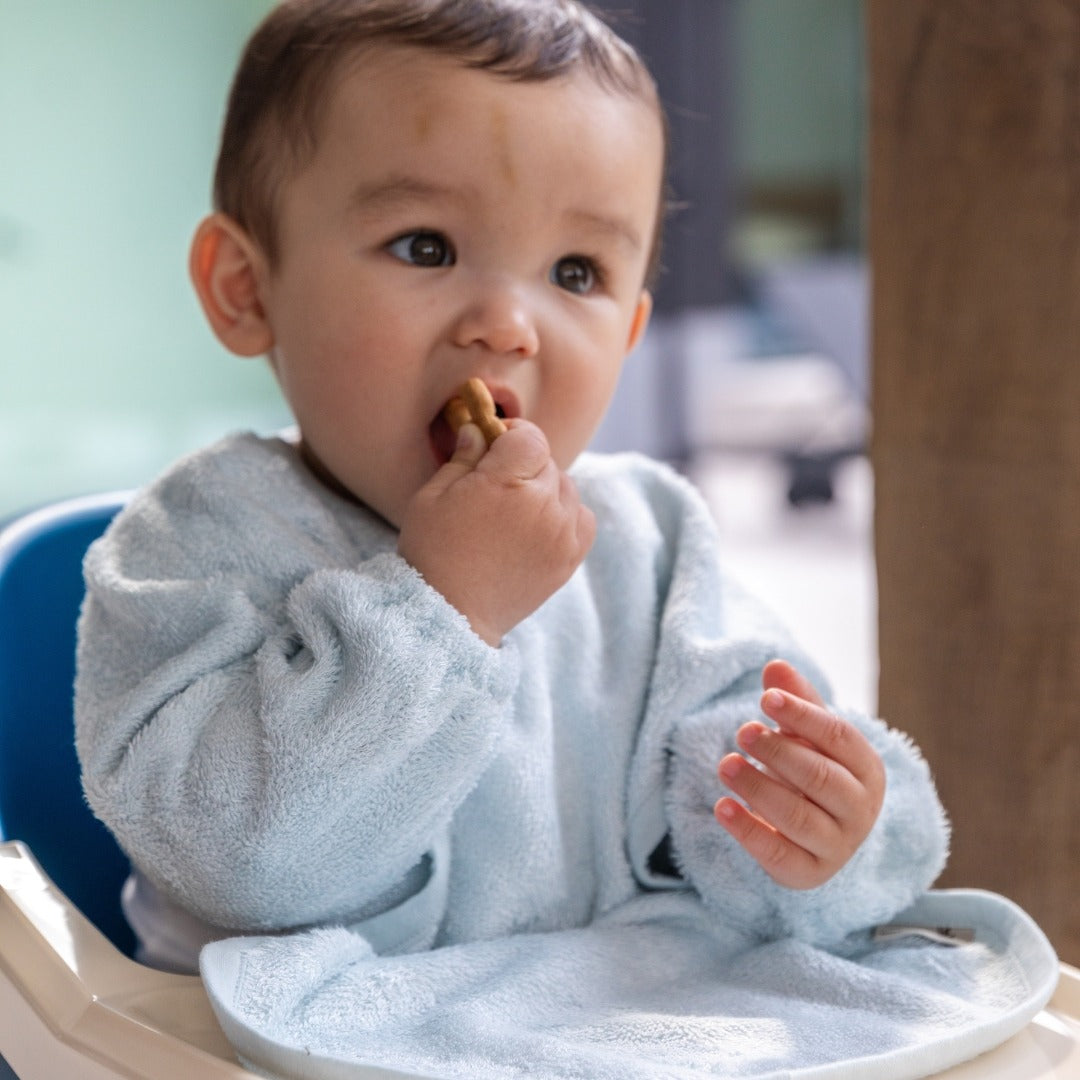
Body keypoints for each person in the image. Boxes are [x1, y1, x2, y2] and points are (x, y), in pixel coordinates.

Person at [75, 0, 947, 978]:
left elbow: (741, 806)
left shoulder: (648, 541)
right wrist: (444, 607)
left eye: (576, 271)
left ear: (627, 332)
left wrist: (817, 833)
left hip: (577, 1029)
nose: (507, 325)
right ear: (247, 286)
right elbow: (242, 865)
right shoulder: (193, 542)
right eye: (426, 247)